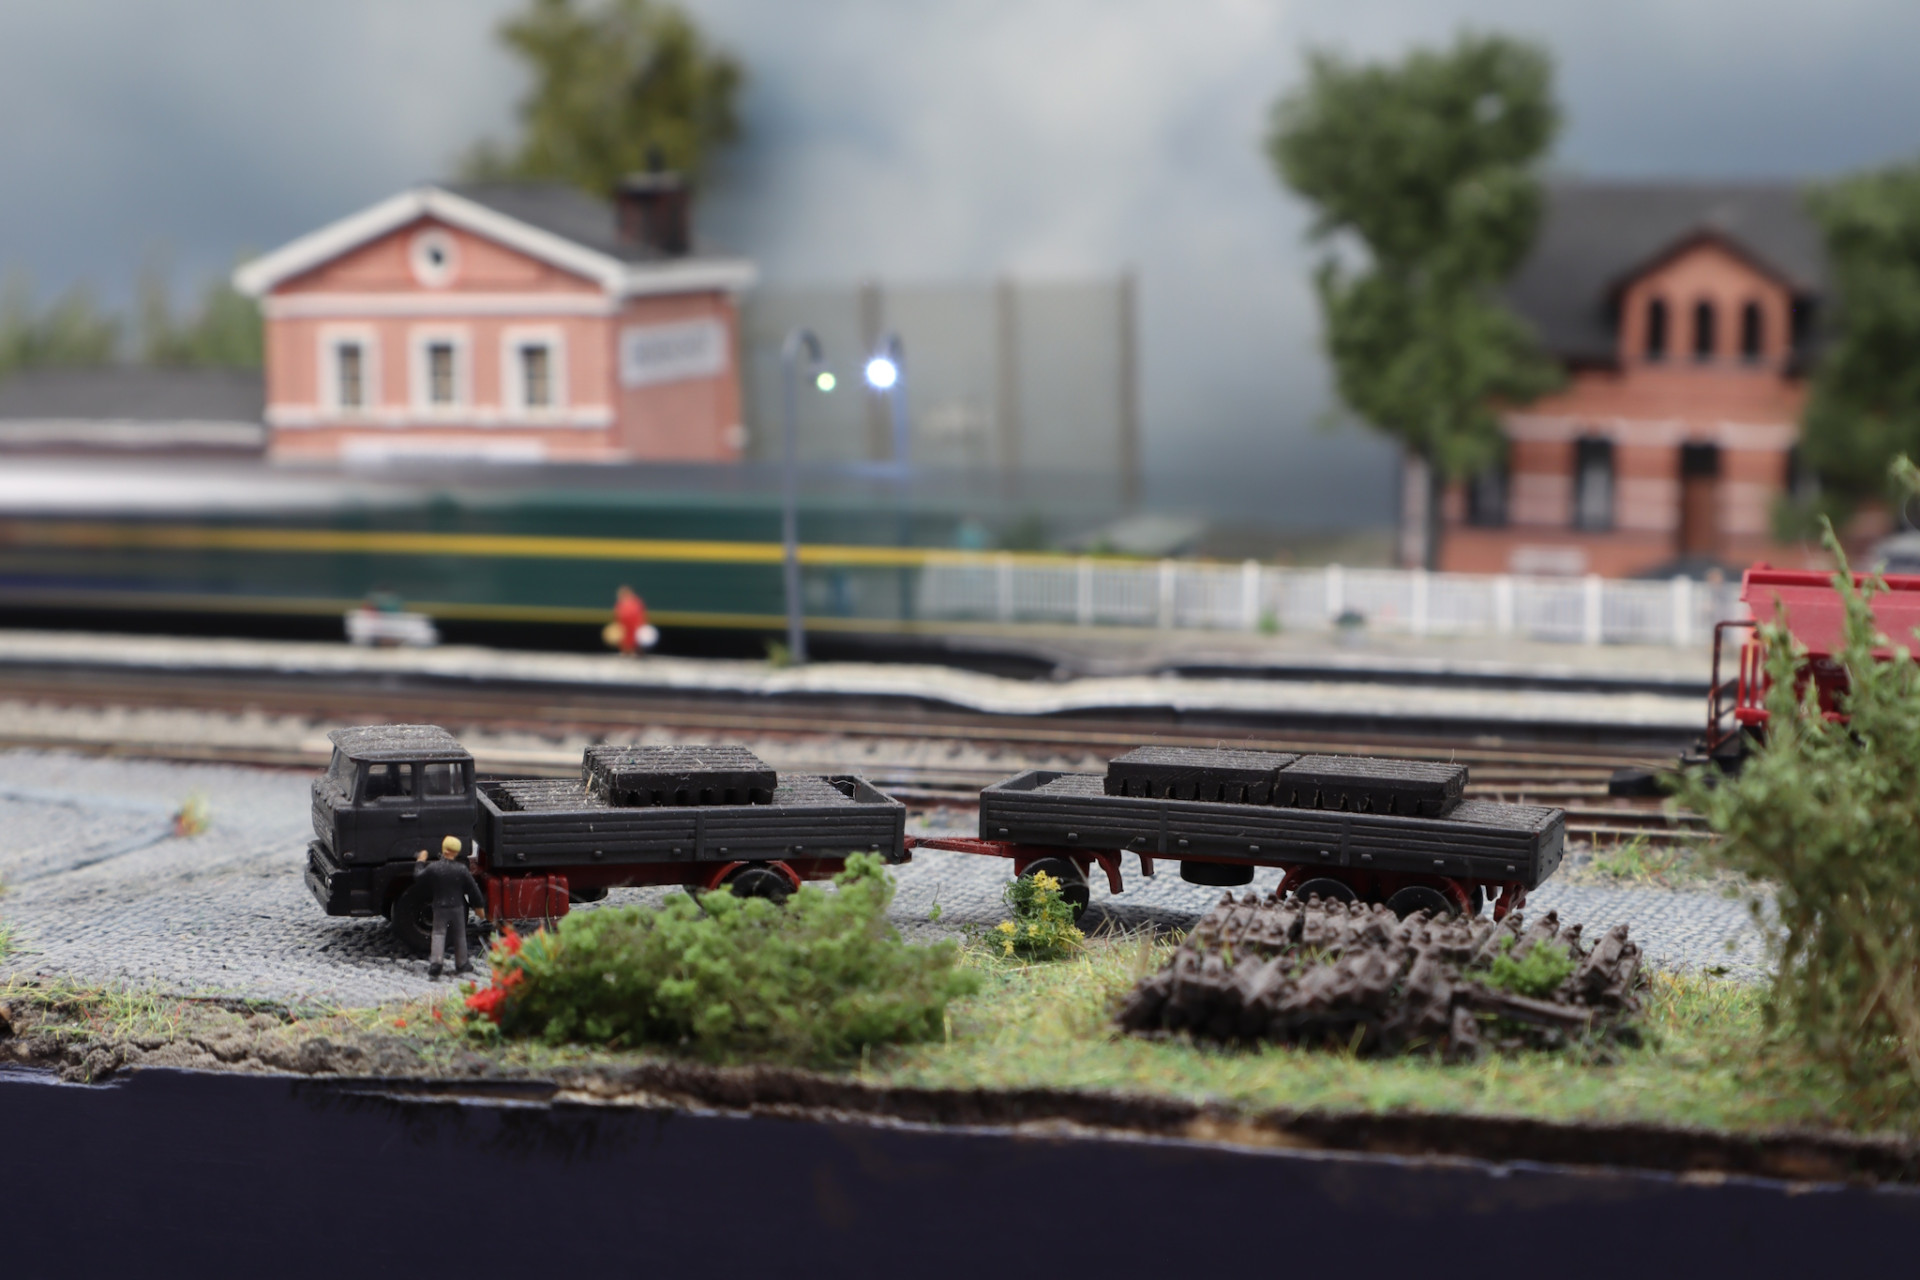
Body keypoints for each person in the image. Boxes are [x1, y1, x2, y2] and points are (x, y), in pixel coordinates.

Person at [417, 835, 484, 977]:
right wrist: (479, 906)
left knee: (438, 933)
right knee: (460, 935)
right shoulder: (461, 869)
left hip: (439, 907)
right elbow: (473, 889)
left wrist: (420, 861)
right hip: (457, 907)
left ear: (443, 849)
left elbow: (418, 876)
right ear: (457, 852)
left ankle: (436, 962)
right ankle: (462, 963)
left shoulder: (434, 868)